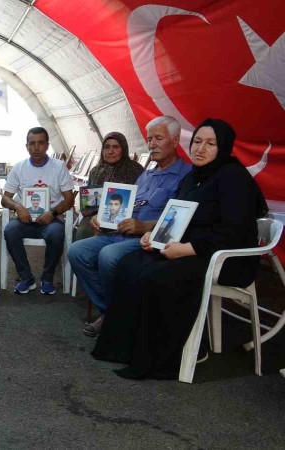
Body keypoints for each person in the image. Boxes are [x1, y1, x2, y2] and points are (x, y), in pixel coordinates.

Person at [92, 118, 268, 380]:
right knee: (131, 264)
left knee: (157, 276)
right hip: (189, 247)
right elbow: (176, 217)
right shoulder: (193, 177)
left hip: (225, 258)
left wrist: (187, 249)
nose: (200, 149)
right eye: (197, 142)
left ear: (223, 147)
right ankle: (124, 349)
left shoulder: (233, 178)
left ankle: (171, 356)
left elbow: (233, 232)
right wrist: (154, 236)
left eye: (210, 144)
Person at [68, 116, 192, 337]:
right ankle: (114, 312)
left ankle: (112, 316)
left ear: (175, 140)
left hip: (148, 238)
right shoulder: (146, 174)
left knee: (108, 255)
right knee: (77, 251)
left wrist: (143, 227)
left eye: (158, 138)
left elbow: (180, 220)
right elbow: (126, 207)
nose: (152, 144)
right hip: (120, 232)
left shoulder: (186, 176)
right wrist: (104, 220)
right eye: (149, 139)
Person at [1, 127, 75, 295]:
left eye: (40, 143)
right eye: (32, 143)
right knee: (10, 231)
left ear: (47, 145)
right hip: (25, 220)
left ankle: (47, 278)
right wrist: (18, 207)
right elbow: (5, 199)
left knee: (56, 233)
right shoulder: (19, 167)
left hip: (51, 220)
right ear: (26, 146)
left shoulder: (59, 167)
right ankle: (26, 278)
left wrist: (53, 213)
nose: (36, 148)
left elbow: (69, 199)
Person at [76, 132, 143, 240]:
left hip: (124, 216)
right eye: (107, 147)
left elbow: (141, 200)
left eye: (116, 147)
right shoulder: (96, 171)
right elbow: (88, 203)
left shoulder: (136, 170)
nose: (110, 151)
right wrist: (89, 207)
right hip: (94, 216)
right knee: (84, 230)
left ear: (123, 149)